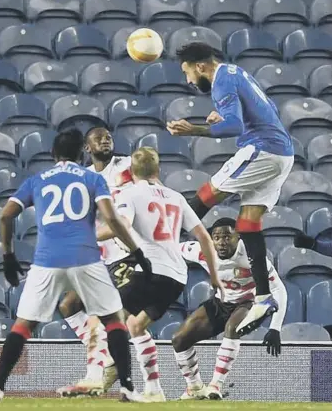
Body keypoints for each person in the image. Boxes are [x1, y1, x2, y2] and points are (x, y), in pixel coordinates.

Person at [0, 128, 153, 403]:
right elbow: (111, 218)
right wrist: (137, 251)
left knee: (24, 325)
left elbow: (5, 216)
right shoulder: (92, 177)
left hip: (46, 260)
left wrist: (8, 256)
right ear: (80, 153)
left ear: (53, 154)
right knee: (114, 320)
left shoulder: (37, 179)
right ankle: (127, 387)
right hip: (85, 257)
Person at [166, 42, 294, 336]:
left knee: (203, 199)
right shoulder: (237, 72)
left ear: (200, 66)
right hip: (282, 154)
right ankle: (262, 298)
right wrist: (220, 117)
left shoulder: (220, 80)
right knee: (248, 226)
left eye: (187, 72)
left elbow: (234, 127)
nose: (187, 80)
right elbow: (266, 108)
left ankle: (156, 246)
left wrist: (194, 129)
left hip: (262, 150)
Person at [90, 147, 223, 401]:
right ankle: (154, 391)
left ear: (131, 172)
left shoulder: (130, 193)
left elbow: (123, 225)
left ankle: (111, 366)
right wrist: (214, 277)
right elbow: (204, 237)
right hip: (176, 276)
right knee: (136, 325)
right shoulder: (176, 197)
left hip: (151, 271)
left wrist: (89, 235)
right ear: (158, 170)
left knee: (108, 315)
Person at [56, 127, 136, 398]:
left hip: (127, 253)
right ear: (87, 149)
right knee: (68, 305)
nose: (106, 139)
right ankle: (108, 361)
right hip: (100, 256)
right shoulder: (83, 179)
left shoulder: (126, 165)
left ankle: (96, 374)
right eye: (99, 137)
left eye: (109, 137)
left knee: (100, 317)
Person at [172, 218, 288, 400]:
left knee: (231, 328)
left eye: (227, 236)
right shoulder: (201, 250)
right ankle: (194, 388)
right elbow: (170, 248)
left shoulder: (251, 256)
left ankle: (215, 385)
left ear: (238, 238)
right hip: (221, 302)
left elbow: (278, 289)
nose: (221, 242)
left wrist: (275, 328)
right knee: (179, 339)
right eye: (216, 237)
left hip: (248, 303)